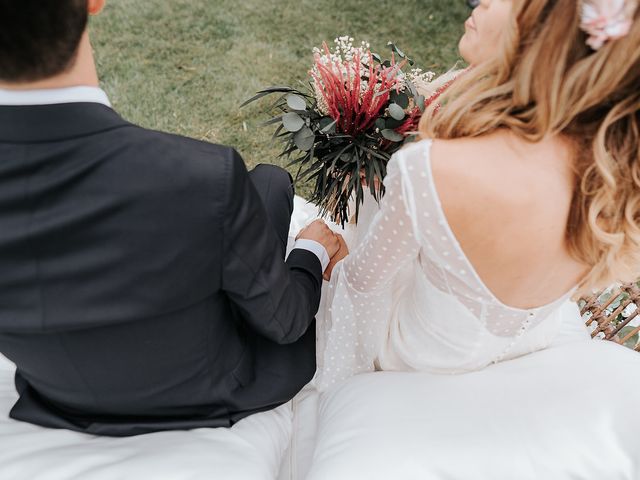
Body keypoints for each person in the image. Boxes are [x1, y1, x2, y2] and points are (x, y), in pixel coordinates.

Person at [0, 0, 343, 436]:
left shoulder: (199, 179)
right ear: (94, 4)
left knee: (270, 185)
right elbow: (284, 321)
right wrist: (310, 251)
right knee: (271, 185)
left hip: (60, 394)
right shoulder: (202, 176)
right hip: (213, 391)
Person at [316, 0, 640, 388]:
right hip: (527, 341)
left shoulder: (434, 167)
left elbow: (363, 288)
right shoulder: (618, 179)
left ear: (543, 38)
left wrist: (327, 261)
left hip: (418, 356)